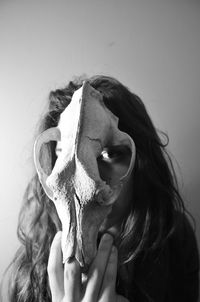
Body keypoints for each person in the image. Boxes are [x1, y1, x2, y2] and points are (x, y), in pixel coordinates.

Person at [1, 75, 199, 302]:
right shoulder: (27, 277)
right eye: (66, 155)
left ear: (140, 163)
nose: (91, 183)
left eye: (111, 155)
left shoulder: (174, 239)